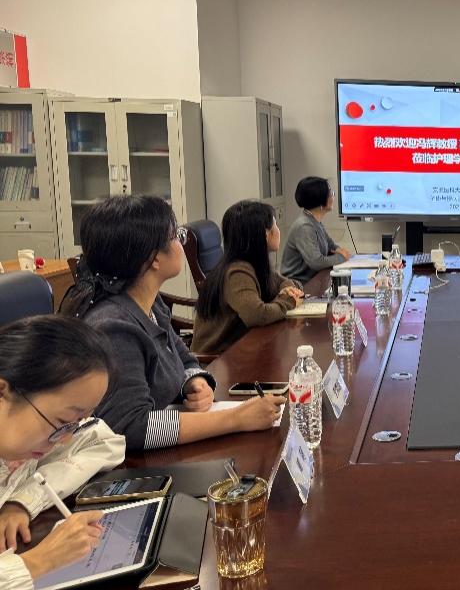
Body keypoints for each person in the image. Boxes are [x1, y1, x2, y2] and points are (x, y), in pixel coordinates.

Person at [60, 195, 284, 452]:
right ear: (154, 258)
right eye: (175, 236)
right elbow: (131, 427)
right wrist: (236, 418)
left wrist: (194, 382)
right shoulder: (114, 327)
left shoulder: (149, 304)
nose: (180, 244)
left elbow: (185, 359)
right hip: (138, 466)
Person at [0, 315, 125, 590]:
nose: (65, 439)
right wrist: (41, 561)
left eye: (75, 423)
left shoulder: (18, 445)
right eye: (62, 422)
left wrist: (22, 501)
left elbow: (102, 439)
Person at [192, 200, 303, 354]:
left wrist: (288, 289)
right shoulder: (237, 273)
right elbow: (257, 315)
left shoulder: (254, 264)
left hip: (241, 348)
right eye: (275, 225)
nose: (278, 230)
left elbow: (287, 282)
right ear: (265, 234)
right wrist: (288, 300)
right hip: (217, 360)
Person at [281, 177, 351, 283]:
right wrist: (342, 257)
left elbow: (331, 246)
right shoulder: (304, 226)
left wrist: (339, 250)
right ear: (320, 201)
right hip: (298, 285)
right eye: (330, 194)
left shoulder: (315, 221)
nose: (333, 196)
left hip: (314, 279)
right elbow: (317, 262)